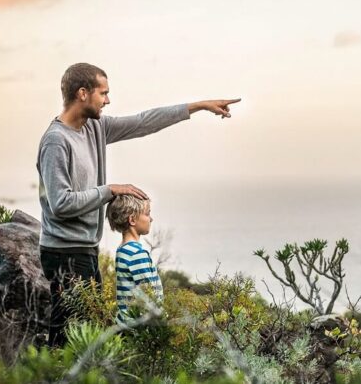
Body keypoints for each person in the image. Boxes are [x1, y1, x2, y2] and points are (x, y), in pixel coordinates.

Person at [37, 62, 240, 346]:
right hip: (63, 252)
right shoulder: (56, 142)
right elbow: (61, 203)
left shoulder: (96, 127)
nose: (108, 100)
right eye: (103, 93)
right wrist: (109, 190)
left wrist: (198, 106)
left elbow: (143, 122)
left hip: (85, 249)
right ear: (83, 93)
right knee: (66, 338)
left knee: (84, 335)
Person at [106, 195, 163, 319]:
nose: (151, 219)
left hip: (127, 322)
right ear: (132, 219)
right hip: (140, 325)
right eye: (147, 214)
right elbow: (149, 296)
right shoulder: (137, 253)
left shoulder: (122, 249)